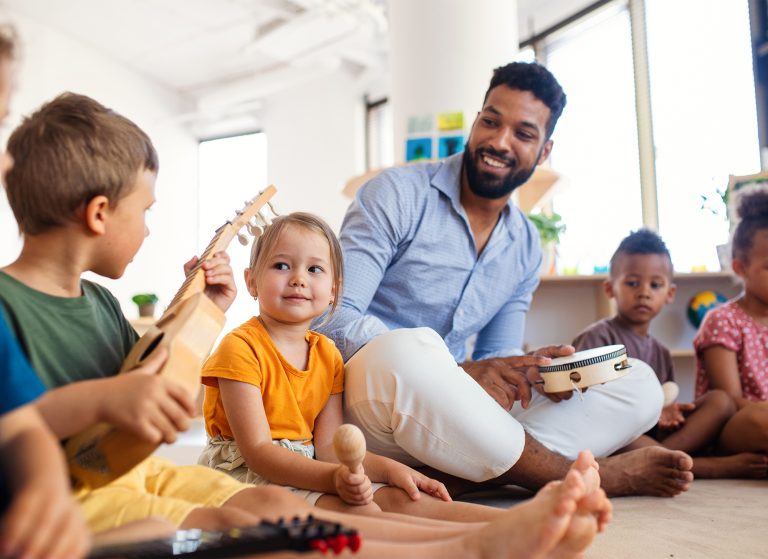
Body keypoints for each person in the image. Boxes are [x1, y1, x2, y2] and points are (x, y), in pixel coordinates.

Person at [0, 90, 613, 559]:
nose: (150, 229)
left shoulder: (102, 305)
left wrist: (205, 308)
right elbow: (32, 425)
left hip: (135, 471)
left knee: (269, 506)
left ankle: (503, 527)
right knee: (236, 526)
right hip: (58, 495)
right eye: (147, 212)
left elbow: (144, 397)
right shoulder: (6, 305)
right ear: (100, 213)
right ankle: (461, 551)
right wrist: (116, 397)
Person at [315, 61, 694, 498]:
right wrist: (455, 372)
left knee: (640, 382)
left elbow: (499, 356)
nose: (499, 141)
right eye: (491, 122)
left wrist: (535, 375)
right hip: (371, 403)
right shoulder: (396, 194)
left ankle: (462, 475)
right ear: (476, 121)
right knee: (405, 349)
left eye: (523, 133)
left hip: (454, 420)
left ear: (544, 150)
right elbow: (333, 318)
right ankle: (585, 476)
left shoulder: (525, 245)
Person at [201, 211, 509, 522]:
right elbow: (259, 453)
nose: (298, 278)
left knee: (400, 496)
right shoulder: (240, 348)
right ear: (251, 281)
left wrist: (393, 470)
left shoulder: (327, 354)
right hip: (247, 478)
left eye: (314, 269)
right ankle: (457, 546)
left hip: (308, 466)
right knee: (361, 511)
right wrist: (332, 480)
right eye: (281, 266)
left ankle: (505, 527)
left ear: (334, 291)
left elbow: (330, 448)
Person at [572, 229, 765, 478]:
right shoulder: (598, 338)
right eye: (632, 283)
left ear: (669, 294)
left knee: (721, 401)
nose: (644, 292)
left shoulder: (661, 352)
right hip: (616, 430)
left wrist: (670, 411)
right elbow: (586, 404)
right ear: (610, 288)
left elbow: (665, 399)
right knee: (619, 435)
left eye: (655, 284)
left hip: (652, 433)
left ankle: (662, 457)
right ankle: (705, 466)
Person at [694, 190, 768, 466]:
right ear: (740, 268)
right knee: (760, 420)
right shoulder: (723, 320)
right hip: (734, 426)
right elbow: (731, 400)